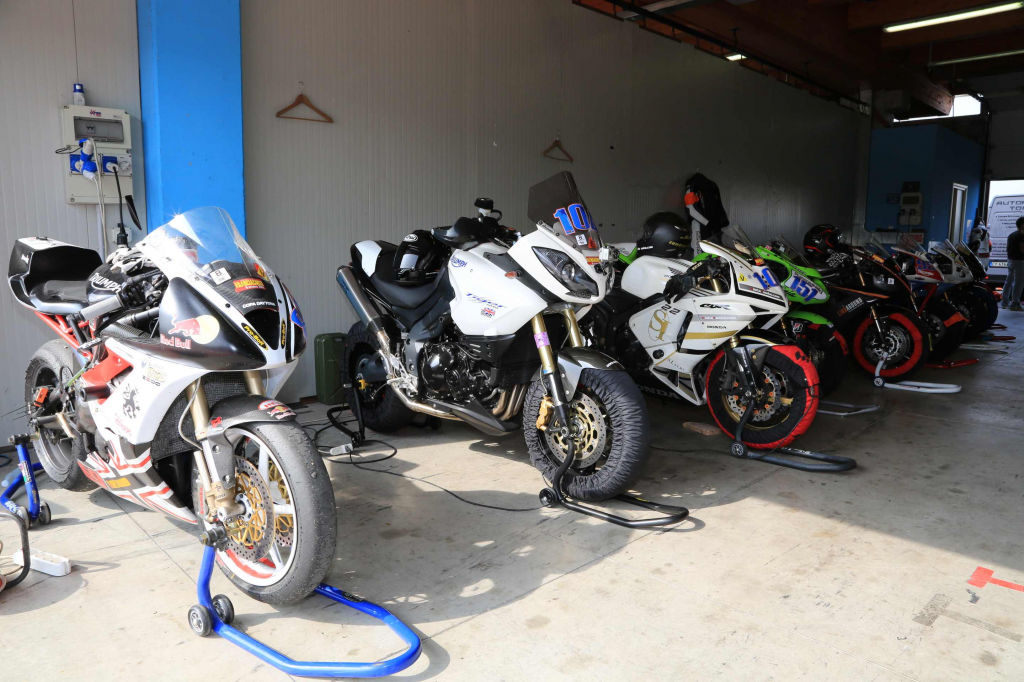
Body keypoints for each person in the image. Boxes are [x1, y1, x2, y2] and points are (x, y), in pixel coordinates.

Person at [1004, 216, 1024, 311]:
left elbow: (1007, 248)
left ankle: (1005, 302)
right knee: (1018, 283)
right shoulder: (1021, 235)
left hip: (1011, 260)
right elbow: (1022, 249)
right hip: (1019, 262)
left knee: (1009, 282)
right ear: (1022, 225)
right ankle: (1015, 304)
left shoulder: (1011, 235)